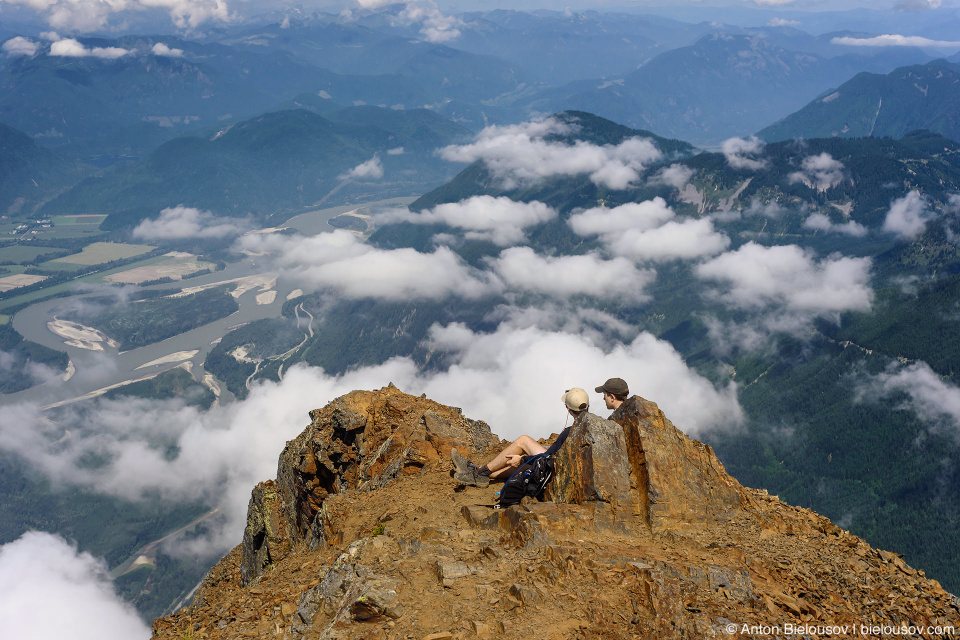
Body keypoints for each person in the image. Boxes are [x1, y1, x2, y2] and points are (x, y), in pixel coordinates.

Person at [450, 388, 590, 488]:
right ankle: (480, 472)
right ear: (588, 406)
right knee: (526, 461)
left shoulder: (569, 431)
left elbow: (546, 457)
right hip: (570, 470)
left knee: (523, 442)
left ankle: (479, 471)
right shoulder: (593, 427)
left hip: (555, 470)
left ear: (568, 409)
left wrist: (522, 458)